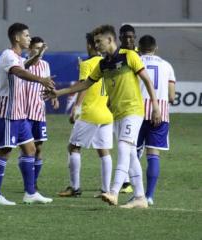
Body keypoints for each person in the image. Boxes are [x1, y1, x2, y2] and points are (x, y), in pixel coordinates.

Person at [43, 25, 161, 208]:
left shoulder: (129, 56)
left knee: (123, 147)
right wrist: (59, 93)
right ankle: (140, 197)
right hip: (117, 114)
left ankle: (113, 192)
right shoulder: (103, 64)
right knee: (130, 154)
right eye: (95, 42)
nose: (96, 45)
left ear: (110, 40)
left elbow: (147, 79)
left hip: (133, 111)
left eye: (99, 41)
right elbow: (84, 85)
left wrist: (155, 106)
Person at [0, 23, 54, 206]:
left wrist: (38, 56)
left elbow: (24, 65)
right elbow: (19, 71)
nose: (29, 38)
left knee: (30, 149)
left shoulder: (17, 57)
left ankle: (30, 193)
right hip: (7, 112)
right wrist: (41, 79)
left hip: (20, 113)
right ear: (17, 38)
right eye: (26, 35)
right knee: (5, 151)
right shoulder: (7, 55)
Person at [58, 33, 113, 198]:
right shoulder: (108, 64)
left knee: (73, 147)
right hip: (106, 114)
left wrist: (76, 107)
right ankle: (106, 190)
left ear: (90, 46)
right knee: (104, 151)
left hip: (90, 113)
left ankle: (75, 188)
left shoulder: (87, 64)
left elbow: (84, 86)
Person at [137, 35, 176, 205]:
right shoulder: (167, 65)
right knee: (153, 154)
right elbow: (172, 97)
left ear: (139, 47)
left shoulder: (135, 61)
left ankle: (131, 191)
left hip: (136, 112)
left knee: (132, 153)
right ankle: (149, 196)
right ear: (156, 48)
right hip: (159, 113)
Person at [24, 36, 59, 190]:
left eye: (41, 48)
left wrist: (53, 95)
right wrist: (39, 54)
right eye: (36, 48)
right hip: (24, 113)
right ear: (29, 49)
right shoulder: (22, 64)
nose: (40, 51)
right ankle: (29, 183)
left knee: (38, 149)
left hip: (39, 112)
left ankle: (33, 182)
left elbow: (47, 83)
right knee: (28, 149)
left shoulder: (45, 65)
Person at [118, 24, 137, 193]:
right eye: (125, 37)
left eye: (131, 37)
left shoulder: (136, 55)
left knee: (128, 147)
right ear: (120, 38)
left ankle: (117, 188)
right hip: (120, 109)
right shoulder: (117, 56)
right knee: (129, 148)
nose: (129, 40)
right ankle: (129, 185)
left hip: (136, 109)